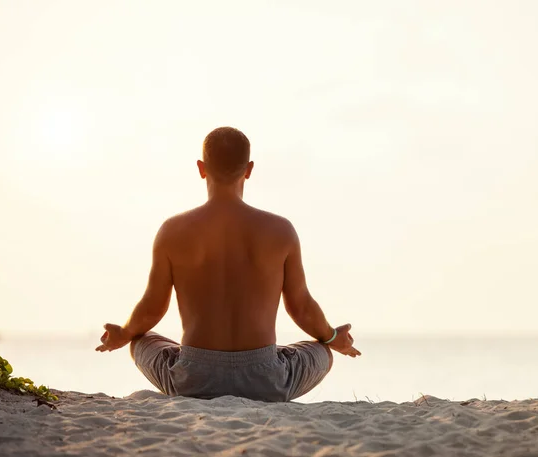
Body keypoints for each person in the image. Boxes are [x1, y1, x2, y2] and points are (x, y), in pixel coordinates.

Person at [96, 127, 361, 402]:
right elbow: (301, 307)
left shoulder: (172, 231)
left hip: (194, 379)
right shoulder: (281, 230)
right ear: (248, 169)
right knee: (321, 352)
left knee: (141, 341)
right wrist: (332, 338)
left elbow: (152, 307)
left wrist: (124, 334)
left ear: (201, 168)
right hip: (265, 380)